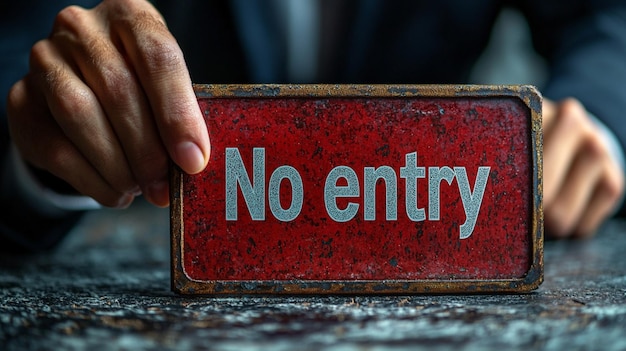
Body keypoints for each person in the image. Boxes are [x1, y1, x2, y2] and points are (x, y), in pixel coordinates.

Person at [1, 0, 625, 252]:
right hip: (156, 234)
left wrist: (598, 117)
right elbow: (29, 47)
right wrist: (42, 146)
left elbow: (605, 18)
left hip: (425, 222)